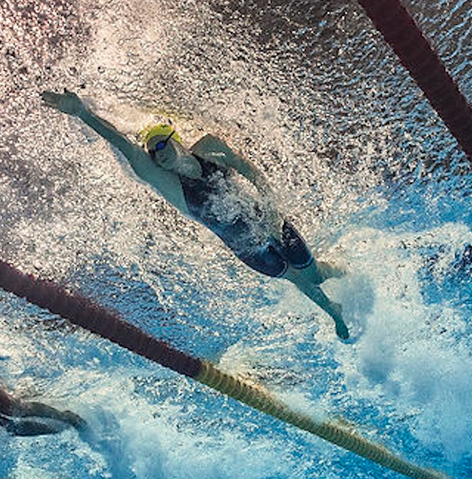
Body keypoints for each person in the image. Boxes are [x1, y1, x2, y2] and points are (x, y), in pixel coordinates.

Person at [41, 89, 350, 340]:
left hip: (268, 220)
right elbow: (126, 147)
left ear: (174, 138)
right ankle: (333, 312)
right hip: (248, 249)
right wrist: (83, 113)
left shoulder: (210, 147)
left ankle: (344, 274)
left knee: (314, 274)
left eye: (160, 144)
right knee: (295, 277)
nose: (157, 153)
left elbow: (249, 170)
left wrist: (271, 206)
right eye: (152, 152)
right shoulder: (171, 186)